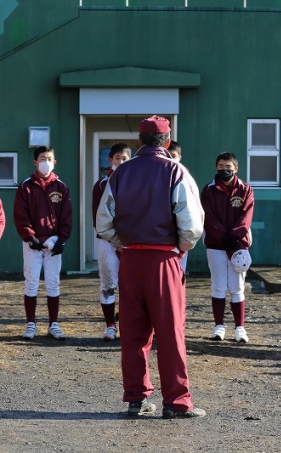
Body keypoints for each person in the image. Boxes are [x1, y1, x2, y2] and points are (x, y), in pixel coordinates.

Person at [97, 115, 206, 419]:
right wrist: (181, 247)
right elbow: (192, 225)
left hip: (131, 259)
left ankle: (136, 398)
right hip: (163, 258)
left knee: (133, 331)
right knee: (170, 331)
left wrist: (123, 242)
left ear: (139, 141)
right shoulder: (176, 171)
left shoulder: (120, 172)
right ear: (167, 141)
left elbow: (103, 223)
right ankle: (176, 401)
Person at [13, 145, 72, 341]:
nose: (46, 162)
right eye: (42, 159)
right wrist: (30, 237)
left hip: (54, 244)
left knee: (53, 283)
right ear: (35, 162)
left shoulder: (61, 187)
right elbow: (20, 215)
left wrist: (61, 238)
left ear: (54, 162)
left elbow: (66, 215)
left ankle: (53, 324)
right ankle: (30, 324)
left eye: (49, 159)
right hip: (33, 243)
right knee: (31, 282)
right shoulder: (26, 186)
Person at [201, 152, 254, 343]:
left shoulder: (245, 189)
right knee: (218, 286)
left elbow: (246, 216)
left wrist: (234, 237)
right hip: (215, 245)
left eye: (228, 166)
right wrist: (223, 236)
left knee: (237, 287)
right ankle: (219, 326)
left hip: (238, 246)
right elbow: (207, 217)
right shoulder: (208, 190)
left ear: (236, 168)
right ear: (216, 167)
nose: (225, 169)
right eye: (221, 166)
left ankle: (240, 328)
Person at [91, 143, 131, 341]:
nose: (121, 162)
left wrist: (127, 238)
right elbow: (98, 217)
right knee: (108, 283)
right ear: (110, 160)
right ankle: (110, 326)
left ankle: (127, 325)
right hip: (107, 241)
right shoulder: (101, 185)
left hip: (130, 242)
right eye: (117, 158)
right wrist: (114, 239)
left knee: (130, 285)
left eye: (125, 159)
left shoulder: (136, 182)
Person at [168, 140, 189, 272]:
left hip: (181, 230)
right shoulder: (157, 176)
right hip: (164, 233)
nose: (170, 159)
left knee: (180, 270)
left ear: (180, 157)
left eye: (173, 156)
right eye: (167, 155)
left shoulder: (186, 177)